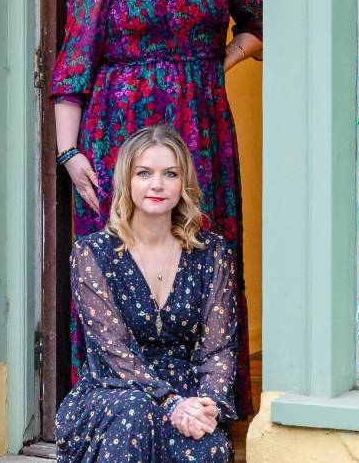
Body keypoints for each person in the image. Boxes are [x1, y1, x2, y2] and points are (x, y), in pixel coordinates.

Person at [50, 0, 261, 417]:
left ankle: (205, 406)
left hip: (201, 134)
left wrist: (222, 60)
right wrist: (69, 153)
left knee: (202, 257)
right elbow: (71, 71)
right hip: (118, 134)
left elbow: (269, 21)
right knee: (118, 260)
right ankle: (119, 404)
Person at [56, 124, 236, 462]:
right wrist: (169, 401)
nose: (157, 185)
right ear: (127, 180)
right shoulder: (93, 253)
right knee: (135, 413)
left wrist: (207, 405)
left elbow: (219, 349)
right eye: (144, 173)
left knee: (209, 448)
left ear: (184, 183)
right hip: (114, 392)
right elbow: (113, 349)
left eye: (170, 174)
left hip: (186, 395)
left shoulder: (211, 253)